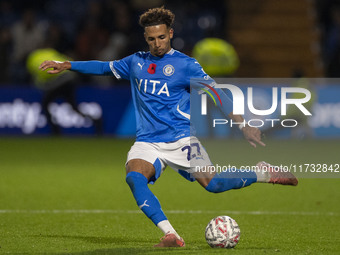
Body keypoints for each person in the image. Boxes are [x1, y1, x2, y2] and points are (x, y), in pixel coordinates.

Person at [39, 7, 298, 247]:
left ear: (170, 33)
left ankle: (262, 172)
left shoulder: (187, 65)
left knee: (214, 184)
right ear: (145, 37)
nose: (157, 43)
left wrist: (243, 126)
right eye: (151, 39)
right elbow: (105, 68)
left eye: (162, 37)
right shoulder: (135, 62)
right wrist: (67, 65)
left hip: (182, 140)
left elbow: (217, 94)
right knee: (134, 177)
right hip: (147, 141)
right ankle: (170, 233)